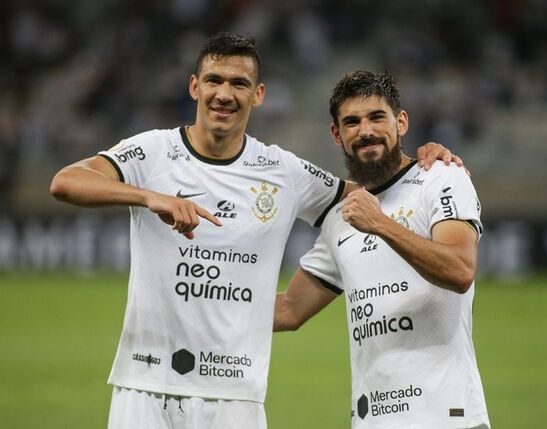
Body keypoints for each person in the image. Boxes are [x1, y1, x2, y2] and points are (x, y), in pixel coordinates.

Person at [50, 33, 460, 429]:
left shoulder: (282, 171)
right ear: (194, 87)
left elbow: (376, 192)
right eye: (214, 80)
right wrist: (149, 198)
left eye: (239, 83)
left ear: (257, 95)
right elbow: (67, 182)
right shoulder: (154, 152)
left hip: (235, 394)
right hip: (143, 383)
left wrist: (425, 164)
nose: (224, 94)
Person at [274, 70, 491, 429]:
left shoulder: (441, 178)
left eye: (377, 117)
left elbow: (460, 270)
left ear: (401, 122)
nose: (366, 131)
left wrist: (381, 225)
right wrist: (184, 309)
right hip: (373, 420)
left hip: (447, 417)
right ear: (337, 134)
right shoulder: (342, 217)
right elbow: (287, 310)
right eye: (352, 122)